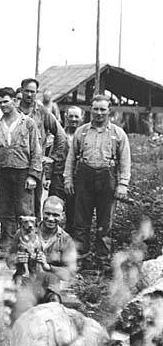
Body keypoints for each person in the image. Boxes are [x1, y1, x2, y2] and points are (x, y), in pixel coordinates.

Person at [64, 95, 131, 260]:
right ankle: (81, 257)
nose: (99, 113)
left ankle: (102, 259)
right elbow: (71, 158)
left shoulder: (118, 134)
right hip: (84, 179)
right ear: (90, 110)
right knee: (80, 222)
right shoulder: (82, 131)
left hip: (108, 179)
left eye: (102, 109)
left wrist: (123, 184)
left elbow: (125, 161)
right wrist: (68, 180)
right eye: (96, 109)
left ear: (109, 111)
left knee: (105, 223)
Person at [0, 87, 42, 251]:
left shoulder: (28, 123)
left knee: (24, 209)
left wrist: (33, 175)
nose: (2, 105)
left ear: (15, 101)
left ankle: (26, 244)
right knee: (4, 208)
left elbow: (36, 150)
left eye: (6, 101)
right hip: (3, 171)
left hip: (23, 171)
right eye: (0, 102)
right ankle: (8, 243)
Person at [7, 196, 78, 317]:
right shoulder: (23, 231)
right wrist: (17, 259)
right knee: (22, 315)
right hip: (26, 281)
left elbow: (70, 273)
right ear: (42, 212)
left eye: (55, 215)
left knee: (54, 311)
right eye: (47, 213)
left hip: (49, 286)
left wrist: (48, 267)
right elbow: (9, 261)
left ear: (62, 215)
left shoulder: (66, 240)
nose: (50, 218)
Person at [19, 78, 68, 219]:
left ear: (37, 93)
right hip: (16, 165)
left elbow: (60, 134)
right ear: (21, 91)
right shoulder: (14, 111)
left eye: (32, 92)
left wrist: (51, 158)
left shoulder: (42, 111)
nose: (29, 95)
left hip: (35, 166)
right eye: (27, 91)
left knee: (35, 205)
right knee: (17, 205)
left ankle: (36, 236)